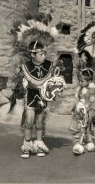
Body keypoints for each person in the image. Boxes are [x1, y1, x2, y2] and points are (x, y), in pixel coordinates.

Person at [9, 13, 64, 159]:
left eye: (44, 52)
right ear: (32, 54)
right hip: (31, 95)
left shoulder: (50, 65)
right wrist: (22, 82)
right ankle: (27, 145)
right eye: (40, 53)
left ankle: (39, 143)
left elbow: (54, 81)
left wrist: (56, 86)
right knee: (29, 121)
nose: (43, 55)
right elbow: (23, 82)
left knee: (40, 122)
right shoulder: (25, 66)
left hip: (42, 96)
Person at [72, 69, 95, 155]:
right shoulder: (80, 89)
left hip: (90, 112)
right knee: (83, 127)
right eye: (79, 81)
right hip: (81, 112)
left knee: (86, 127)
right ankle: (88, 142)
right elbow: (76, 98)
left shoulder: (94, 89)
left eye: (82, 81)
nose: (80, 82)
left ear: (89, 81)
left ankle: (82, 143)